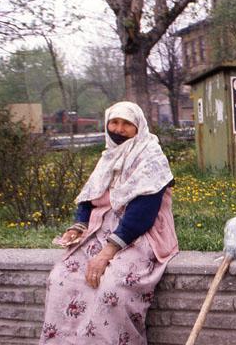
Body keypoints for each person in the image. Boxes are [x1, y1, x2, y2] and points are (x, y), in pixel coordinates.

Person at [40, 101, 178, 344]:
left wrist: (107, 253)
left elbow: (142, 214)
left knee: (113, 287)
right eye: (114, 122)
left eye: (127, 124)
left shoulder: (151, 157)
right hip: (100, 230)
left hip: (137, 234)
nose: (119, 129)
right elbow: (89, 198)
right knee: (62, 278)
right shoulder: (109, 156)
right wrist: (78, 225)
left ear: (138, 127)